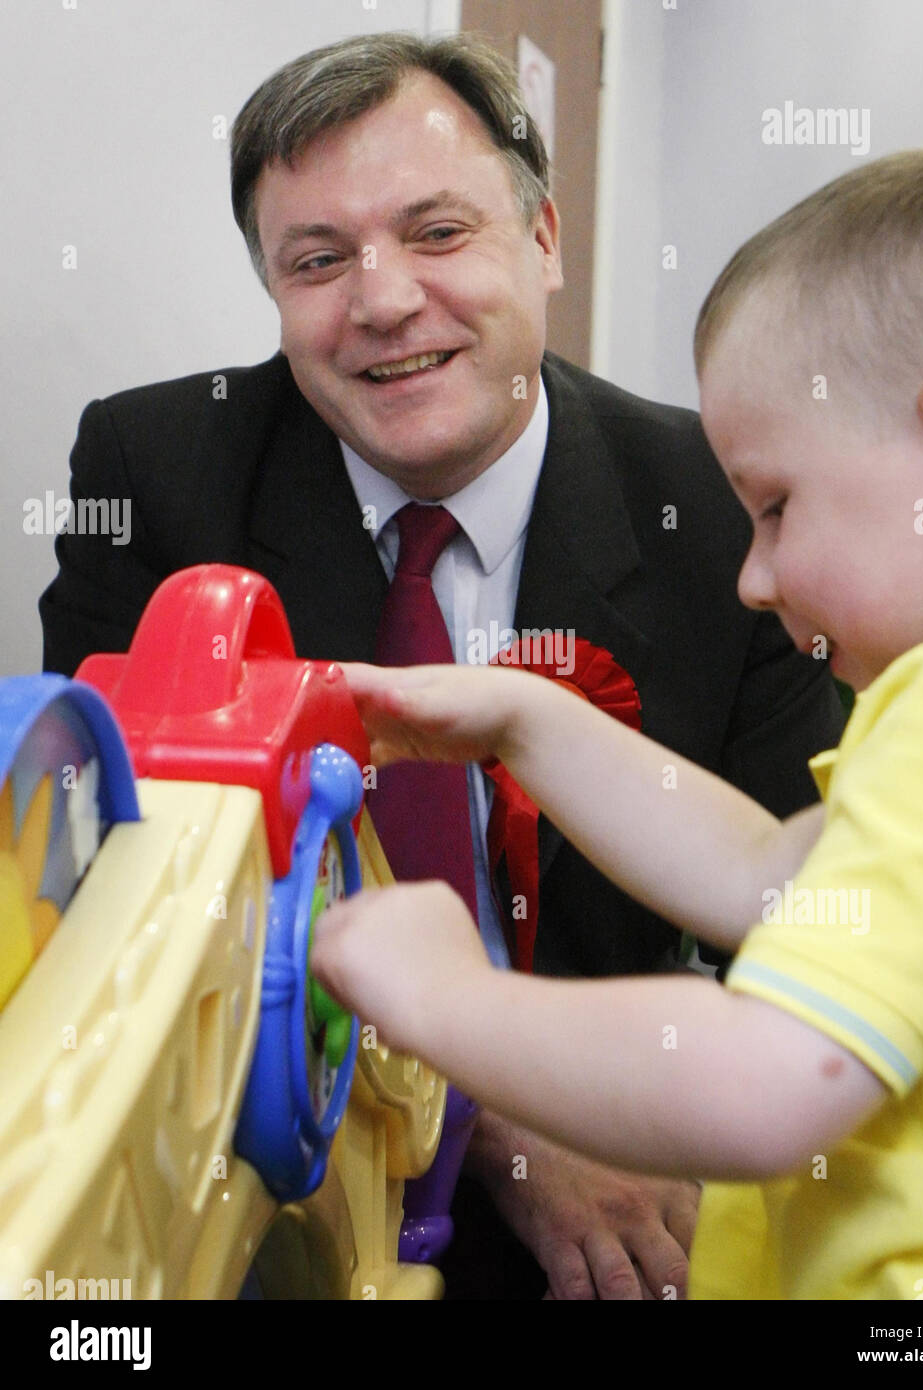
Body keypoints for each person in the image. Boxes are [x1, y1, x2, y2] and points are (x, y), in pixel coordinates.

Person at [38, 32, 845, 1299]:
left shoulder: (721, 499)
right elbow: (123, 907)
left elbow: (810, 925)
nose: (383, 300)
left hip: (634, 1195)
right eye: (318, 260)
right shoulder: (158, 474)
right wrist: (494, 1121)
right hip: (268, 1188)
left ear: (545, 241)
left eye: (436, 231)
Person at [310, 147, 923, 1300]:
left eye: (775, 510)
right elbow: (769, 870)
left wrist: (448, 1001)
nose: (752, 579)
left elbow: (769, 1081)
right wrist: (524, 722)